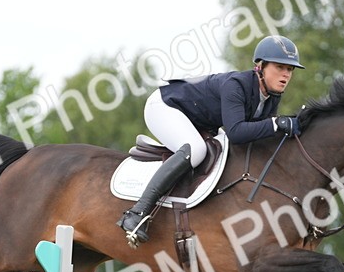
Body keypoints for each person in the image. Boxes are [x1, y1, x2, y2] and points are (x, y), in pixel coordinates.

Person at [117, 35, 306, 245]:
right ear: (260, 66)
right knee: (196, 150)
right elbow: (236, 133)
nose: (286, 75)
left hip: (197, 120)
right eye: (280, 67)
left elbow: (253, 137)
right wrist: (275, 124)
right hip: (164, 107)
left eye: (290, 69)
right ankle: (137, 212)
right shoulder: (237, 85)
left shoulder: (271, 97)